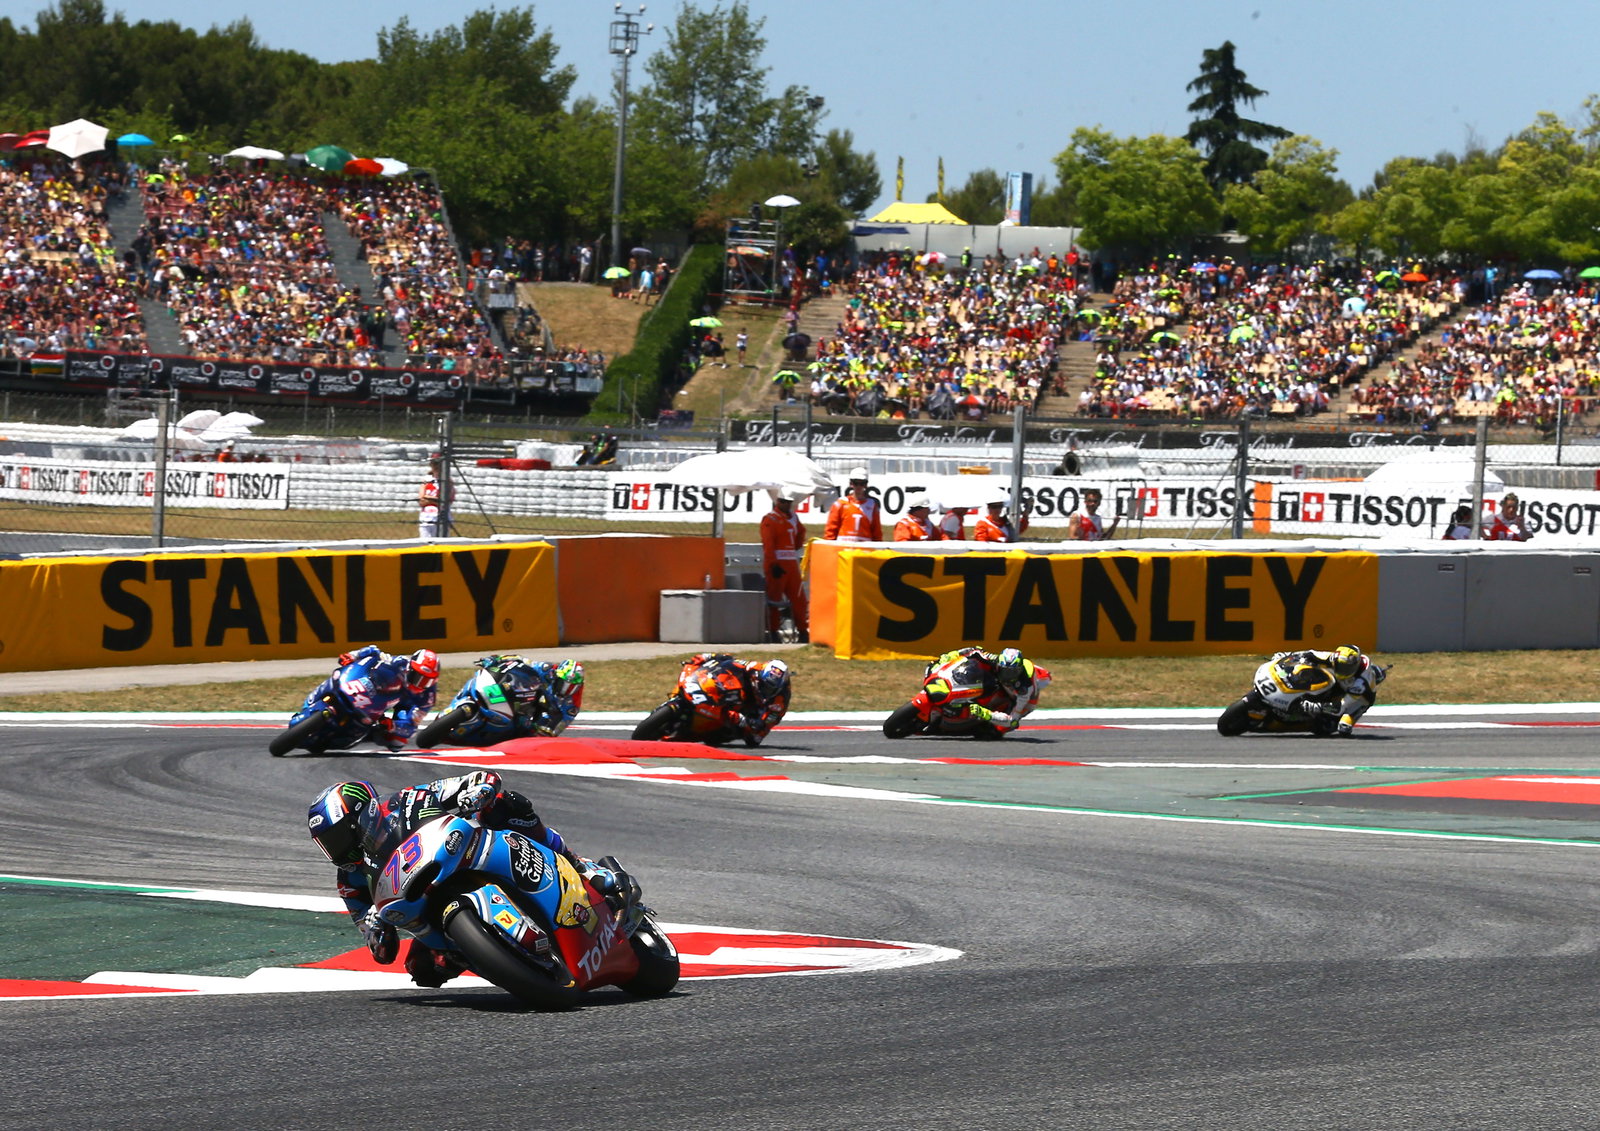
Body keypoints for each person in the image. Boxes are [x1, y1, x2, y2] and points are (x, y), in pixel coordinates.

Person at [307, 771, 618, 988]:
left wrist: (478, 791)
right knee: (422, 970)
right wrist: (376, 929)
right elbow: (381, 953)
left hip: (461, 853)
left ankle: (581, 865)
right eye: (327, 844)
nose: (336, 851)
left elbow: (479, 779)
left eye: (337, 838)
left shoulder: (409, 800)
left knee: (507, 803)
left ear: (364, 817)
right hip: (425, 909)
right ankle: (496, 959)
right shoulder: (350, 881)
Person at [298, 645, 439, 752]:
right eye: (417, 677)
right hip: (380, 694)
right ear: (410, 667)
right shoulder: (400, 662)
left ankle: (367, 734)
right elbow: (373, 652)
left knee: (398, 742)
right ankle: (313, 702)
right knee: (336, 678)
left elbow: (411, 726)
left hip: (404, 705)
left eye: (426, 681)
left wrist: (393, 726)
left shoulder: (427, 698)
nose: (419, 684)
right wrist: (353, 656)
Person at [925, 645, 1052, 734]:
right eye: (1004, 671)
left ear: (1018, 671)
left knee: (994, 732)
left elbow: (1012, 720)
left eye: (1011, 673)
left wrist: (985, 714)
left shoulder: (1025, 689)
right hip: (1001, 684)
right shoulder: (995, 660)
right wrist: (948, 656)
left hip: (1020, 699)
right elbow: (974, 650)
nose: (1006, 676)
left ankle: (966, 726)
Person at [1267, 643, 1385, 737]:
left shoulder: (1361, 683)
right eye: (1340, 666)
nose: (1342, 670)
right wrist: (1286, 655)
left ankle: (1301, 722)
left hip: (1358, 700)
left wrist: (1316, 706)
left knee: (1341, 727)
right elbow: (1309, 654)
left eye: (1346, 668)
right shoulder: (1335, 658)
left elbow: (1340, 707)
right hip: (1340, 684)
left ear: (1356, 666)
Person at [679, 652, 792, 746]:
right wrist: (709, 657)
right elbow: (730, 660)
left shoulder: (780, 701)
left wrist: (748, 722)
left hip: (751, 711)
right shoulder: (754, 667)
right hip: (740, 693)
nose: (765, 690)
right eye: (764, 685)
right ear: (759, 676)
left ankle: (703, 732)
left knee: (753, 739)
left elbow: (761, 730)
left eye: (770, 689)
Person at [475, 654, 585, 735]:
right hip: (529, 693)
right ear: (557, 675)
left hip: (543, 710)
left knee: (531, 728)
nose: (567, 690)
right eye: (564, 684)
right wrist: (496, 659)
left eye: (572, 687)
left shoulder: (573, 704)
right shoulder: (547, 669)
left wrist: (548, 732)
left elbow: (561, 725)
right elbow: (522, 661)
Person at [760, 489, 809, 642]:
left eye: (788, 502)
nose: (786, 505)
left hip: (791, 564)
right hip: (777, 566)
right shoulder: (770, 519)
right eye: (783, 502)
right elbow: (768, 545)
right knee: (774, 600)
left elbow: (800, 535)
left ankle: (803, 631)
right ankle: (773, 632)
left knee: (799, 599)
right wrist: (773, 564)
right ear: (777, 501)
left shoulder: (794, 518)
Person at [824, 467, 883, 542]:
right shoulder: (840, 503)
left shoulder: (872, 505)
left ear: (866, 485)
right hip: (843, 548)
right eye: (855, 483)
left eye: (862, 483)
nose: (858, 486)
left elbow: (876, 531)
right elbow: (830, 530)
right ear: (851, 484)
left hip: (865, 548)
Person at [418, 458, 451, 539]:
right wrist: (436, 500)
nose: (436, 467)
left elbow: (446, 501)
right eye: (434, 464)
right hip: (426, 516)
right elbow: (421, 500)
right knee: (425, 543)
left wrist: (428, 498)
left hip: (441, 516)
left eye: (438, 464)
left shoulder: (447, 481)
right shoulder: (426, 479)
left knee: (441, 543)